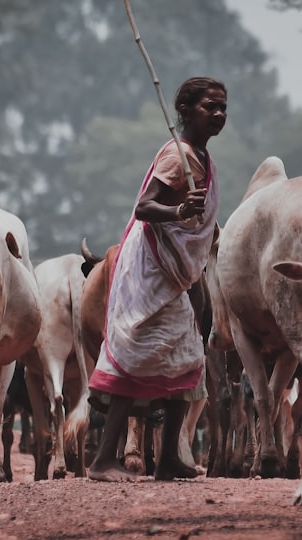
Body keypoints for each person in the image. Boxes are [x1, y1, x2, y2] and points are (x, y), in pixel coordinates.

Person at [87, 76, 226, 482]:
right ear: (184, 111)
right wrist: (181, 212)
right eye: (208, 107)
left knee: (187, 355)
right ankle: (103, 460)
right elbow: (147, 207)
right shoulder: (177, 155)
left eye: (222, 108)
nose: (218, 114)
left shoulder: (199, 157)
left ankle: (169, 458)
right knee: (139, 353)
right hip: (153, 270)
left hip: (177, 273)